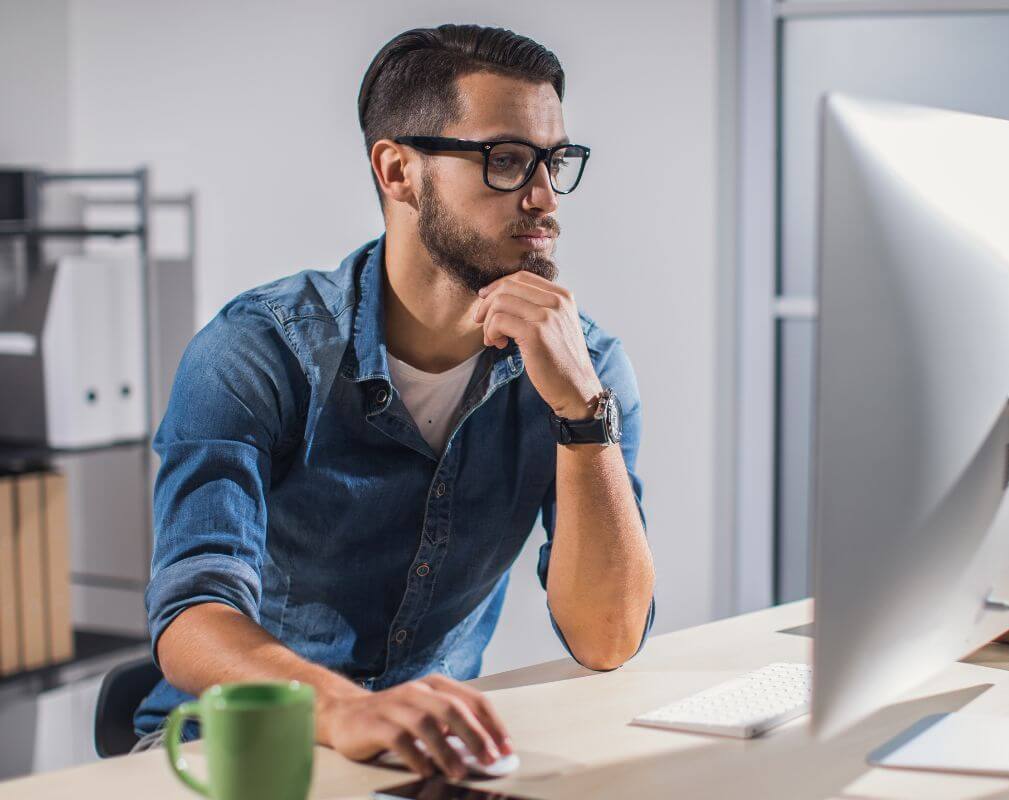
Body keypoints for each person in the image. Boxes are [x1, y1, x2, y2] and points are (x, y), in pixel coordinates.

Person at [132, 24, 656, 781]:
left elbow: (607, 638)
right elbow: (190, 619)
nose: (544, 198)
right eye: (506, 161)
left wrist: (582, 413)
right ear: (398, 170)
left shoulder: (587, 368)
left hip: (425, 759)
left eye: (555, 161)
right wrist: (346, 709)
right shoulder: (256, 351)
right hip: (233, 753)